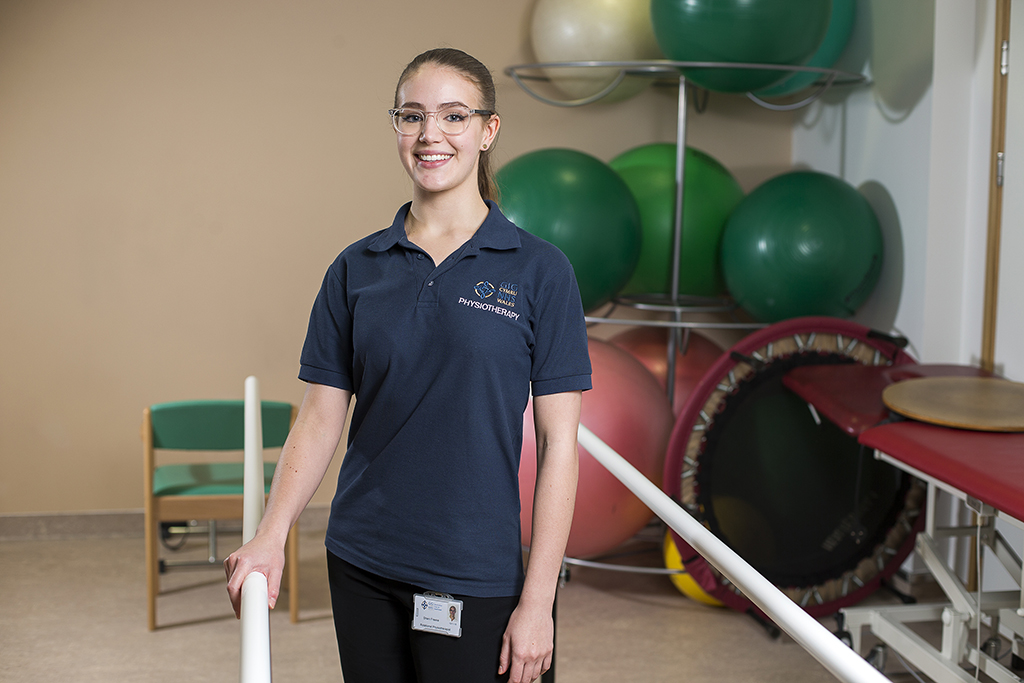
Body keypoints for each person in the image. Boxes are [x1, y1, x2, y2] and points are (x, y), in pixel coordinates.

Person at [224, 47, 591, 683]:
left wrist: (538, 602)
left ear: (487, 130)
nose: (430, 135)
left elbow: (559, 445)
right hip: (362, 558)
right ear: (396, 126)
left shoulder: (540, 271)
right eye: (412, 115)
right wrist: (271, 533)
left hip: (475, 571)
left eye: (454, 116)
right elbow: (319, 419)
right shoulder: (356, 268)